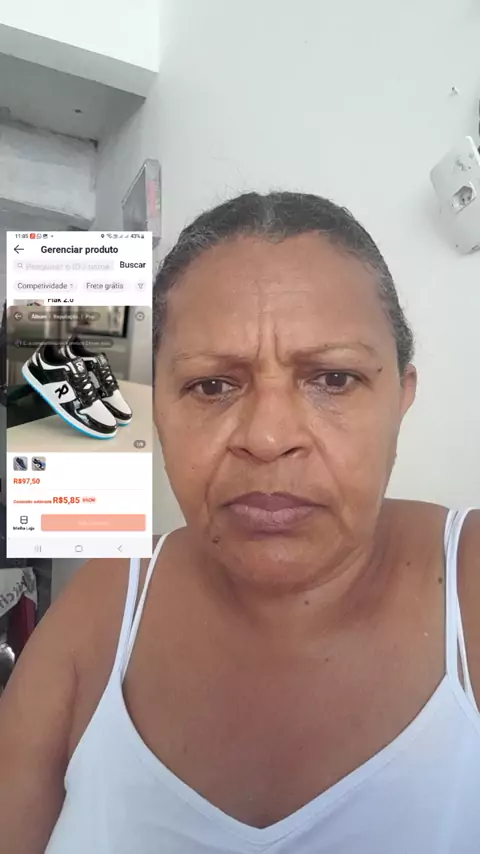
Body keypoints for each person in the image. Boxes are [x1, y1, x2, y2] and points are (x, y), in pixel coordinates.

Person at [1, 192, 479, 854]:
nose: (268, 437)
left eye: (333, 379)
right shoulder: (101, 609)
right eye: (212, 386)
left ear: (402, 396)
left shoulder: (469, 588)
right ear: (156, 408)